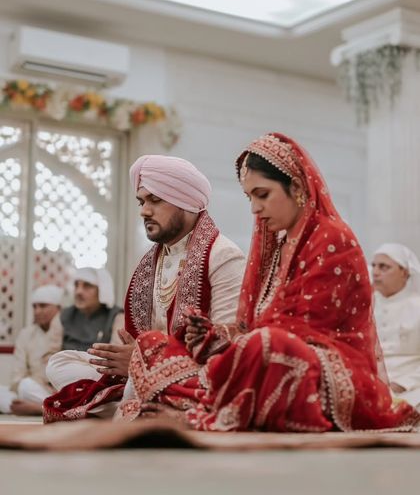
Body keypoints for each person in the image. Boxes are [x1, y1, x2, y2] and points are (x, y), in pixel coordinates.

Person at [114, 132, 419, 431]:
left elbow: (301, 333)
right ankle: (208, 401)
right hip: (266, 361)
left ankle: (203, 403)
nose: (254, 208)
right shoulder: (277, 246)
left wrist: (238, 345)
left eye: (263, 195)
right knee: (153, 344)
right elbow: (254, 326)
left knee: (268, 346)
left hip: (321, 373)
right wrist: (214, 336)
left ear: (297, 188)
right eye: (249, 197)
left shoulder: (331, 237)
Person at [43, 155, 245, 421]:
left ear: (185, 201)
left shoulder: (224, 257)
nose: (144, 211)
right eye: (141, 201)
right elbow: (138, 342)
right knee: (59, 364)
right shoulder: (152, 261)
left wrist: (145, 363)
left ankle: (127, 407)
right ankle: (134, 407)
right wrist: (134, 362)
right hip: (144, 376)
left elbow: (226, 349)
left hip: (195, 375)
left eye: (155, 200)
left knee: (135, 386)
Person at [45, 267, 123, 390]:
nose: (78, 292)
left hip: (99, 377)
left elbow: (116, 358)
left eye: (87, 286)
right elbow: (50, 355)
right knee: (27, 385)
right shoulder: (64, 316)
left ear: (102, 290)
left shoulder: (116, 317)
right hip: (63, 376)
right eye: (76, 285)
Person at [0, 285, 63, 415]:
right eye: (34, 306)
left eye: (43, 306)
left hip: (58, 392)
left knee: (26, 387)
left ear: (58, 308)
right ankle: (44, 408)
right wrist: (20, 388)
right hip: (32, 389)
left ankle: (39, 408)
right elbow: (18, 374)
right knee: (22, 386)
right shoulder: (26, 334)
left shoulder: (67, 330)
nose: (37, 311)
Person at [372, 243, 420, 408]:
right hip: (370, 382)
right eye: (374, 266)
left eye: (384, 267)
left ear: (404, 273)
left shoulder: (417, 307)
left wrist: (401, 384)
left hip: (411, 385)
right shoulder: (365, 305)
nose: (376, 272)